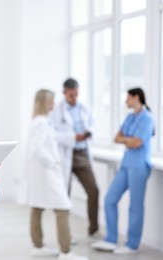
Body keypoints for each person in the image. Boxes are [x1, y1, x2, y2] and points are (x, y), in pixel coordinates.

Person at [18, 89, 88, 260]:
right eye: (52, 101)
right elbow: (38, 148)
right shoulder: (42, 123)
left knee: (37, 207)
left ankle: (38, 246)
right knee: (63, 208)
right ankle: (66, 252)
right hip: (47, 173)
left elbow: (54, 136)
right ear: (45, 102)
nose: (54, 104)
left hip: (39, 174)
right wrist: (53, 162)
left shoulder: (39, 121)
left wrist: (72, 136)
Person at [91, 87, 154, 254]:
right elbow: (116, 138)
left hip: (140, 165)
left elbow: (137, 143)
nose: (126, 101)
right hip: (126, 164)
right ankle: (111, 239)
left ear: (136, 98)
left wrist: (126, 140)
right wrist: (128, 139)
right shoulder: (130, 117)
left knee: (135, 205)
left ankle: (132, 244)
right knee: (110, 199)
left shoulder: (147, 118)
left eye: (128, 98)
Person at [51, 78, 99, 236]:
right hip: (66, 154)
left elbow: (92, 124)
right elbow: (53, 134)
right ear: (64, 93)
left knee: (93, 190)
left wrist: (88, 132)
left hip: (83, 154)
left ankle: (93, 228)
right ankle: (66, 235)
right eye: (71, 95)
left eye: (76, 94)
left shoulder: (84, 107)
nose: (74, 98)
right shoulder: (57, 111)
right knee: (65, 195)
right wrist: (72, 137)